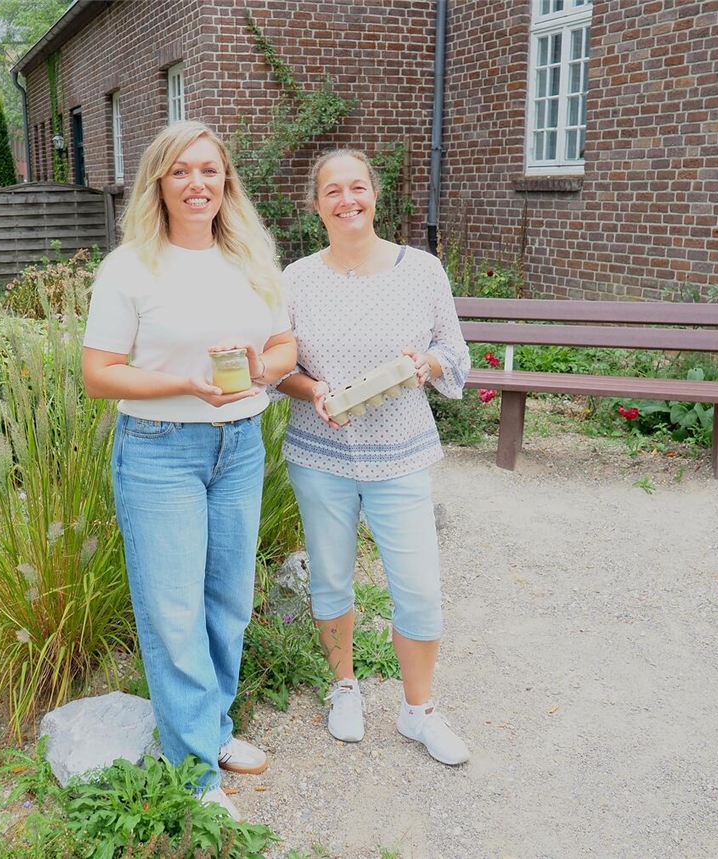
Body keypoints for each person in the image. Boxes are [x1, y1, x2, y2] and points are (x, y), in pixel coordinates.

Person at [81, 121, 296, 820]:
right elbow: (98, 374)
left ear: (225, 180)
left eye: (209, 170)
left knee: (228, 600)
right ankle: (195, 771)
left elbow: (286, 343)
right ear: (159, 184)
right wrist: (186, 389)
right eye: (181, 172)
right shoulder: (132, 267)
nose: (197, 183)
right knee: (174, 611)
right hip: (161, 448)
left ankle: (213, 727)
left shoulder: (253, 259)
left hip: (239, 445)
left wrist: (262, 368)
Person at [275, 149, 472, 765]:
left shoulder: (423, 271)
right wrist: (315, 391)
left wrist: (427, 364)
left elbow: (455, 354)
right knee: (330, 578)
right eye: (331, 191)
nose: (346, 200)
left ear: (375, 196)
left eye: (356, 187)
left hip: (401, 454)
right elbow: (279, 369)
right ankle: (344, 688)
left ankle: (419, 711)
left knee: (418, 587)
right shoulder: (296, 278)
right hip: (320, 453)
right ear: (315, 205)